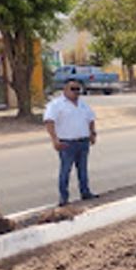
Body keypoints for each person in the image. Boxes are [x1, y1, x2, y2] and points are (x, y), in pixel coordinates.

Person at [43, 78, 99, 207]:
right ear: (65, 89)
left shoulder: (83, 105)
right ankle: (64, 198)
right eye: (73, 89)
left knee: (83, 170)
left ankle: (85, 192)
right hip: (67, 143)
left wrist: (92, 133)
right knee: (65, 170)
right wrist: (55, 139)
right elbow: (49, 122)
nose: (76, 92)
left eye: (78, 89)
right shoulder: (56, 105)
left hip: (83, 141)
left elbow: (91, 120)